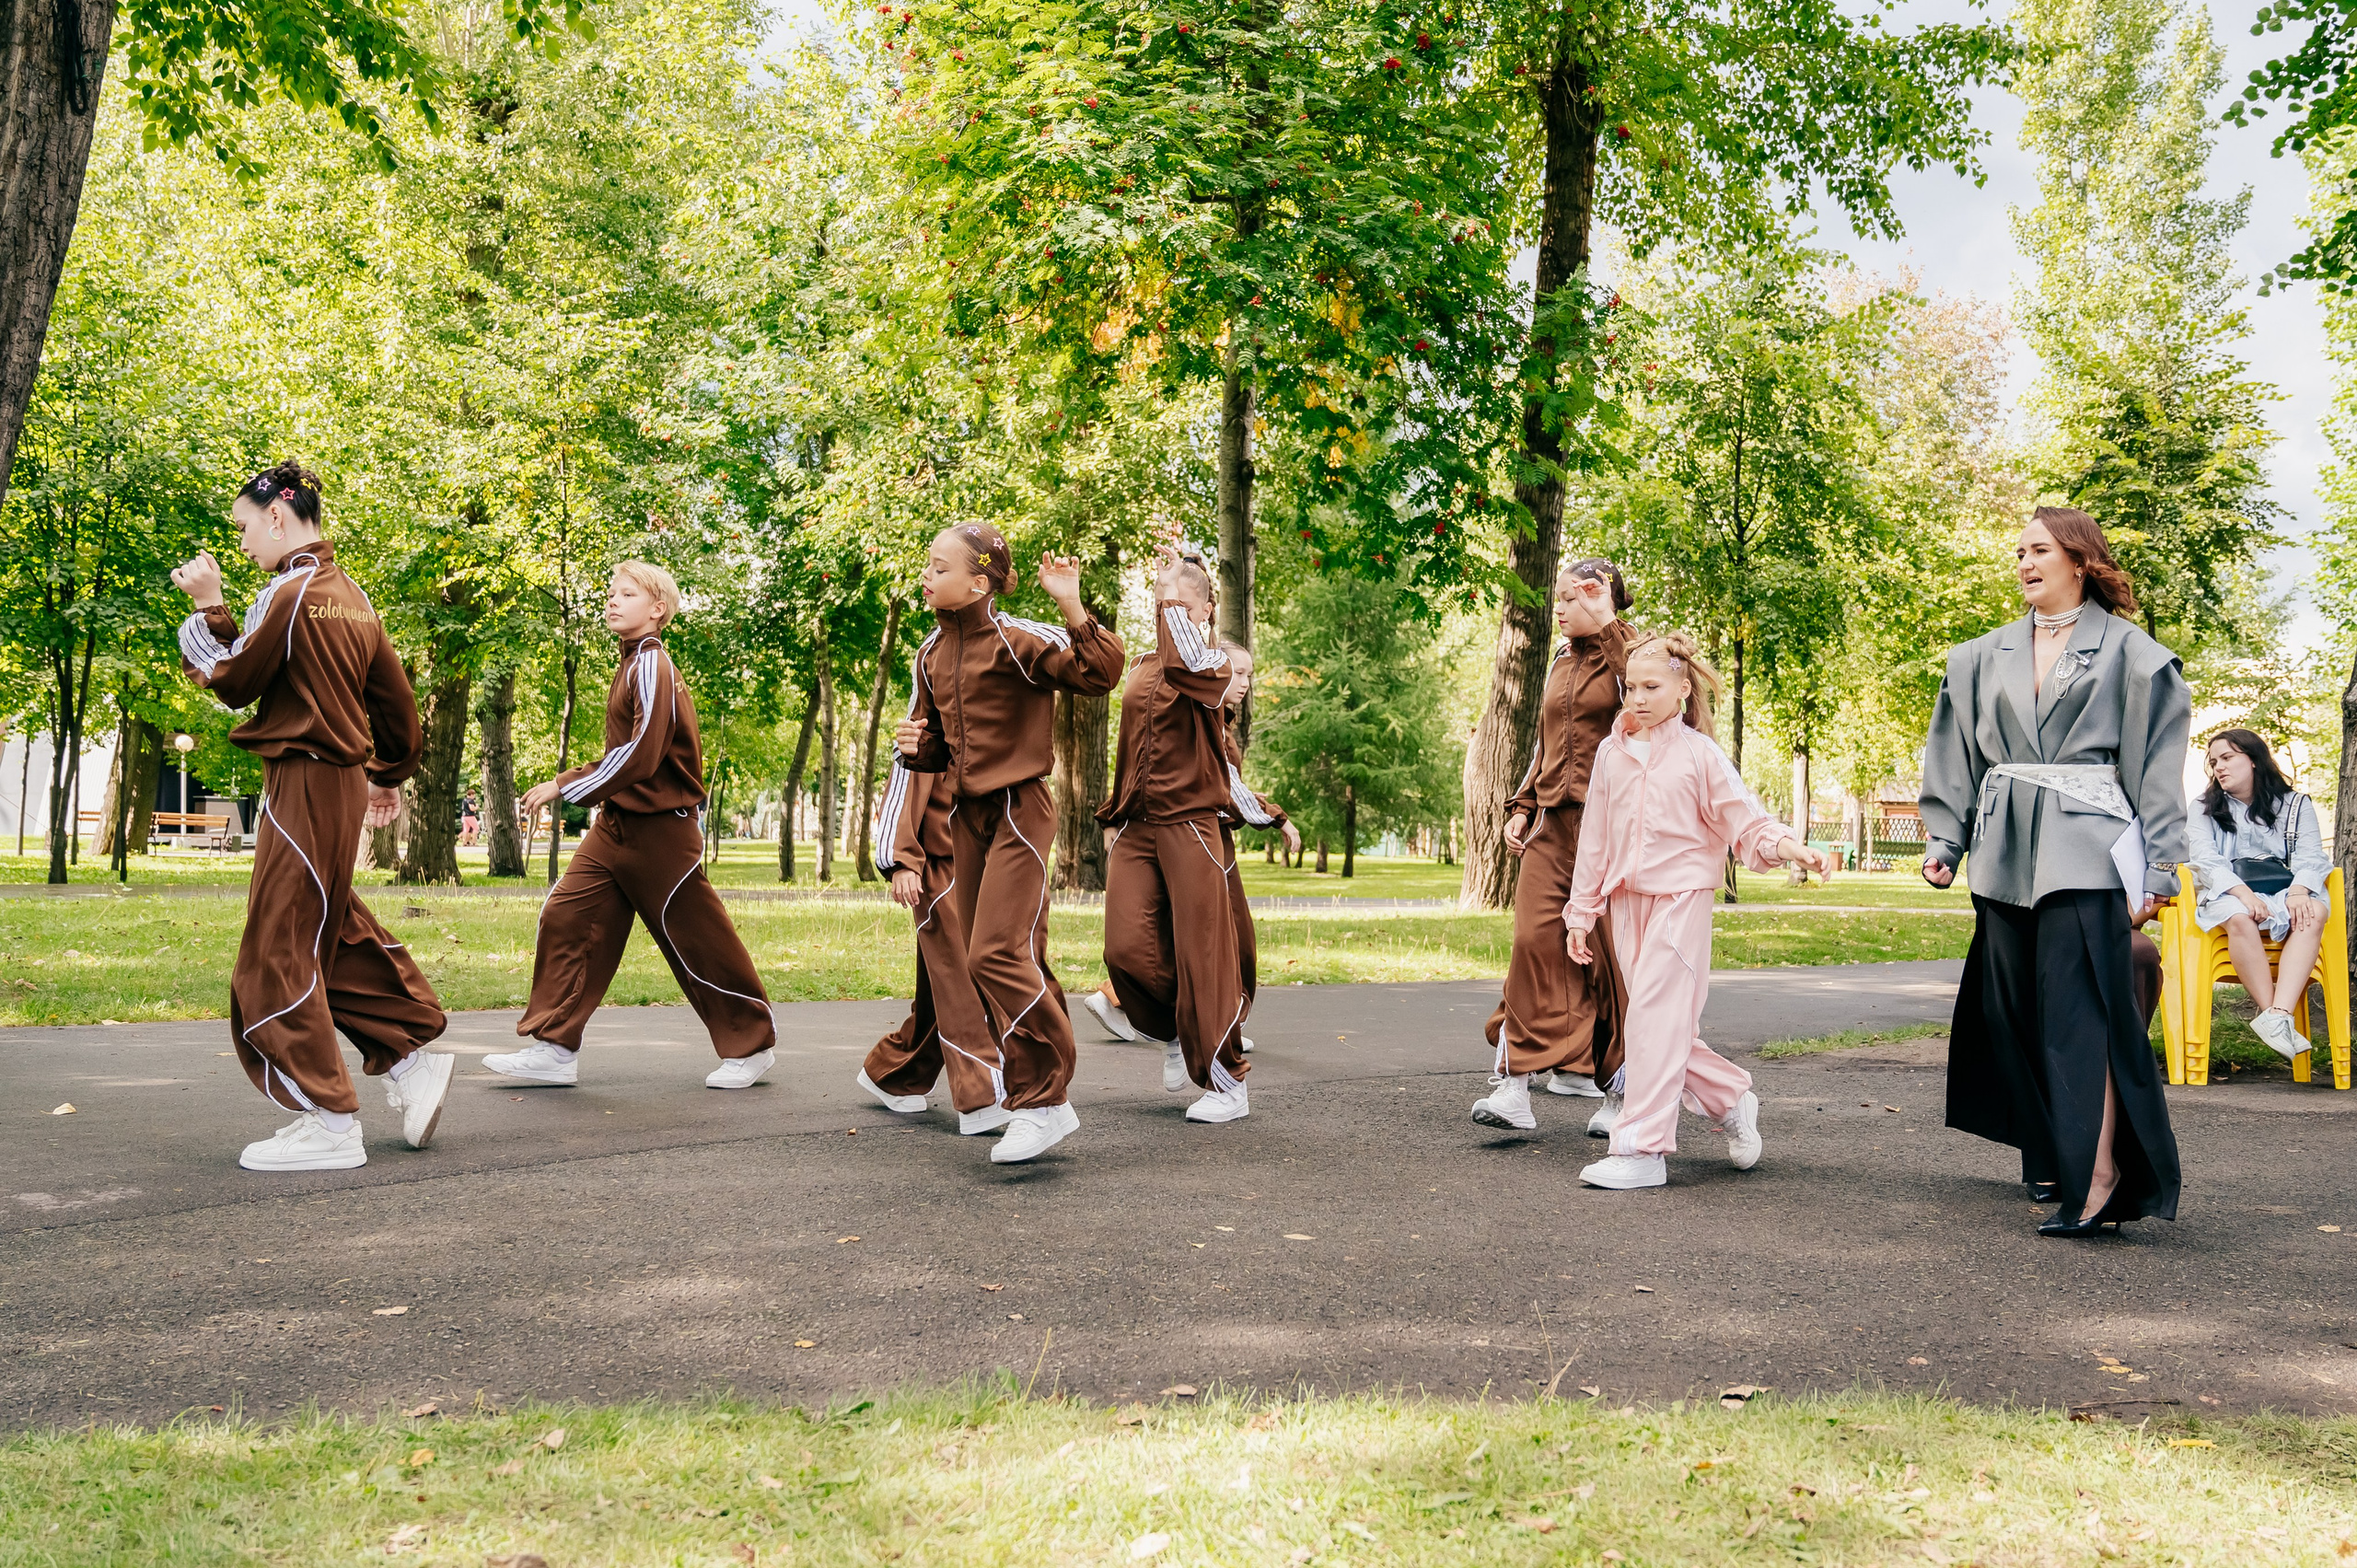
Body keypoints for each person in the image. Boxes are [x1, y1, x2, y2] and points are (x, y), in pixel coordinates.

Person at [170, 460, 454, 1171]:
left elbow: (237, 676)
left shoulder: (287, 590)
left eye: (242, 527)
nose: (239, 545)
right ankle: (409, 1058)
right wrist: (386, 775)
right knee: (329, 929)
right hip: (343, 784)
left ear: (277, 515)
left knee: (276, 949)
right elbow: (397, 708)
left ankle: (330, 1120)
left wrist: (209, 607)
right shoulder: (353, 597)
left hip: (302, 782)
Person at [1921, 506, 2190, 1238]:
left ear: (2080, 560)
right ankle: (2049, 1152)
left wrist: (2161, 867)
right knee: (2010, 1016)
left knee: (2079, 1020)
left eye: (2039, 549)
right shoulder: (1978, 657)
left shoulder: (2132, 656)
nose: (2024, 562)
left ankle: (2099, 1179)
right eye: (2018, 551)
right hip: (2003, 851)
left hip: (2087, 849)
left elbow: (2156, 770)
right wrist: (1946, 839)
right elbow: (1954, 755)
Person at [491, 562, 778, 1089]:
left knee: (695, 938)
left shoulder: (652, 663)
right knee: (568, 915)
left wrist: (567, 785)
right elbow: (629, 754)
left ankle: (751, 1045)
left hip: (662, 830)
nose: (613, 601)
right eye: (610, 593)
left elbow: (643, 754)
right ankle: (555, 1049)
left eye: (627, 594)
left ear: (658, 610)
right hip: (617, 825)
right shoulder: (630, 665)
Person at [890, 523, 1126, 1162]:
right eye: (927, 566)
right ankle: (1038, 1097)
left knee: (992, 954)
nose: (926, 576)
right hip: (966, 819)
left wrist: (1071, 603)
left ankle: (1046, 1100)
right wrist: (921, 749)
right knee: (1009, 955)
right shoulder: (929, 654)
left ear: (979, 580)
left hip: (1020, 808)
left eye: (939, 567)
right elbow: (944, 743)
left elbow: (1101, 671)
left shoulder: (1020, 639)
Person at [1562, 631, 1830, 1190]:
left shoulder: (1700, 754)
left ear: (1682, 688)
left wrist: (1788, 848)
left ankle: (1640, 1150)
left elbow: (1745, 822)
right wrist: (1581, 911)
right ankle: (1731, 1100)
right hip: (1624, 903)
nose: (1636, 698)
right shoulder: (1611, 754)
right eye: (1630, 686)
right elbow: (1594, 840)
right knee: (1657, 1026)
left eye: (1651, 686)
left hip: (1683, 899)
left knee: (1654, 1024)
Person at [1089, 547, 1264, 1121]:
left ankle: (1226, 1084)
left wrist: (1270, 816)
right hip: (1139, 827)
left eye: (1180, 604)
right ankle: (1171, 1032)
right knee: (1126, 950)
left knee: (1203, 957)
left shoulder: (1211, 665)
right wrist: (1116, 817)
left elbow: (1188, 661)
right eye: (1160, 603)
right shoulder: (1142, 665)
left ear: (1207, 609)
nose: (1167, 612)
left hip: (1191, 824)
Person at [1474, 558, 1635, 1138]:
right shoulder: (1561, 663)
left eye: (1570, 598)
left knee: (1608, 957)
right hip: (1552, 826)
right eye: (1558, 599)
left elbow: (1644, 717)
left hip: (1609, 831)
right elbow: (1545, 745)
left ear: (1600, 597)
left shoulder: (1632, 657)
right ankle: (1514, 1086)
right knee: (1532, 943)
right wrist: (1522, 805)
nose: (1558, 608)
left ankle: (1619, 1093)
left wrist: (1608, 622)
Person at [858, 751, 1020, 1136]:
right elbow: (905, 776)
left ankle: (895, 1072)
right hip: (935, 866)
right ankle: (981, 1095)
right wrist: (901, 861)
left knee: (949, 981)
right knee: (960, 981)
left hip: (975, 856)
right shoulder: (933, 703)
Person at [2187, 727, 2331, 1061]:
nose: (2219, 767)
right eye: (2213, 762)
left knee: (2314, 912)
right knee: (2239, 916)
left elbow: (2312, 857)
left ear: (2253, 760)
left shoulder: (2296, 804)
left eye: (2227, 758)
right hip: (2228, 890)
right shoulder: (2203, 807)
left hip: (2285, 889)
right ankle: (2274, 1015)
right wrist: (2243, 894)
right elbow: (2205, 860)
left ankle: (2277, 1015)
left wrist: (2298, 892)